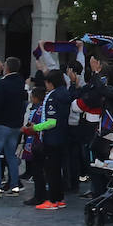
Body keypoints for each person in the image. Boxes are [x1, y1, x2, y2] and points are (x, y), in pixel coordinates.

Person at [23, 70, 70, 210]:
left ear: (51, 82)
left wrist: (36, 128)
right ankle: (60, 198)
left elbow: (51, 122)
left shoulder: (53, 97)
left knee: (51, 171)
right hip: (63, 136)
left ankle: (52, 200)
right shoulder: (66, 93)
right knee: (57, 169)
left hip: (52, 138)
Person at [0, 57, 27, 197]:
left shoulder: (3, 83)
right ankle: (14, 186)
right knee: (11, 155)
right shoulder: (21, 82)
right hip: (15, 124)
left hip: (2, 123)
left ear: (7, 67)